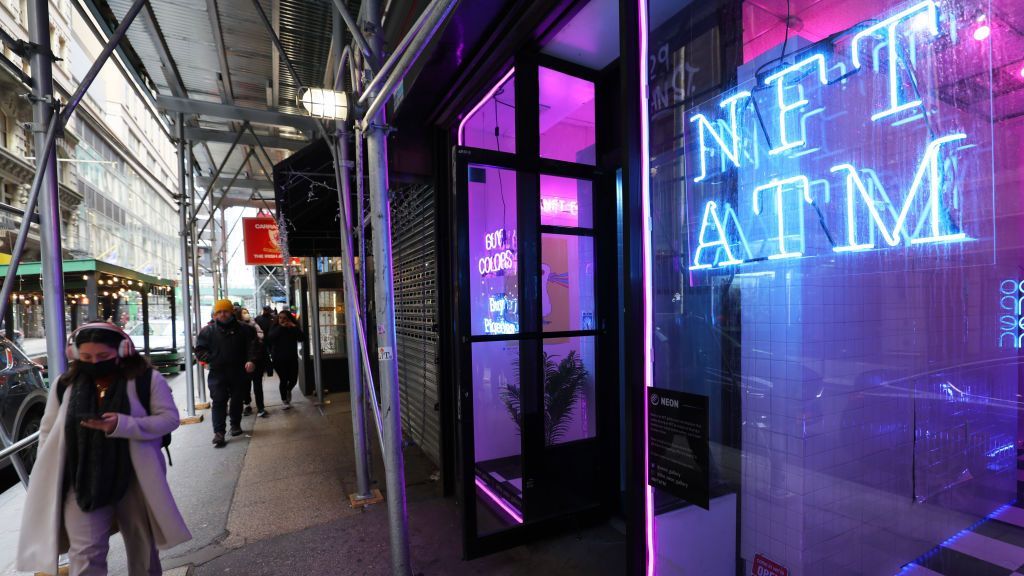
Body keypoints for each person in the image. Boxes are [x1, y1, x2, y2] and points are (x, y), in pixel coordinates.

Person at [16, 322, 191, 576]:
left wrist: (122, 424)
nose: (94, 362)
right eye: (86, 357)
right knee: (84, 553)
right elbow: (48, 430)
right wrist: (46, 473)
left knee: (142, 547)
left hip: (135, 479)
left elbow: (169, 419)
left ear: (122, 351)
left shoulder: (145, 380)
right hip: (81, 478)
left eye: (103, 356)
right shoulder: (65, 384)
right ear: (74, 354)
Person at [194, 299, 259, 446]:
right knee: (218, 401)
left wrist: (252, 360)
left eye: (226, 311)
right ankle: (219, 432)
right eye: (219, 312)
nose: (223, 314)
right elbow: (200, 350)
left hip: (239, 371)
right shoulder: (208, 331)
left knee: (237, 399)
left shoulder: (245, 329)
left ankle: (235, 424)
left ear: (232, 312)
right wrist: (212, 359)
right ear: (215, 314)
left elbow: (253, 346)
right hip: (217, 372)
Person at [266, 310, 303, 410]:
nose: (282, 320)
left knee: (293, 380)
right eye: (280, 318)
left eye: (285, 318)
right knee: (283, 379)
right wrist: (281, 327)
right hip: (278, 359)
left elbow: (302, 338)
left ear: (289, 319)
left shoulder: (292, 328)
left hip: (291, 357)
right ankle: (284, 400)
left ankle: (288, 390)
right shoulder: (275, 327)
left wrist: (294, 327)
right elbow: (270, 338)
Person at [237, 307, 267, 417]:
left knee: (258, 385)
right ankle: (247, 404)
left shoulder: (254, 324)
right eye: (244, 313)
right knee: (246, 385)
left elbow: (260, 338)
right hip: (243, 361)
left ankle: (261, 407)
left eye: (247, 312)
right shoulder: (236, 328)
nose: (246, 314)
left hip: (256, 360)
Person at [255, 306, 276, 378]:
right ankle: (269, 369)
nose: (267, 312)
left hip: (271, 340)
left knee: (269, 354)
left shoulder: (273, 318)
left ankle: (270, 369)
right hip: (262, 340)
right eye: (266, 310)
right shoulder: (258, 318)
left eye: (268, 310)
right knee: (266, 355)